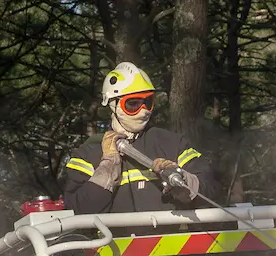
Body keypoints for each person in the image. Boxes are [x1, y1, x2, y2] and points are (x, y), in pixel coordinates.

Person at [61, 62, 206, 213]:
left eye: (148, 102)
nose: (144, 111)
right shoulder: (88, 154)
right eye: (133, 104)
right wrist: (108, 166)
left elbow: (212, 190)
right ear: (113, 104)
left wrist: (182, 180)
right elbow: (77, 210)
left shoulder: (172, 143)